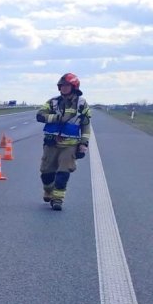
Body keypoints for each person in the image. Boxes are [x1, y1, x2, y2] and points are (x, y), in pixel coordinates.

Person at [36, 73, 92, 211]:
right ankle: (48, 190)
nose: (64, 88)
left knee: (63, 173)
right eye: (62, 86)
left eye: (66, 86)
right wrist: (56, 118)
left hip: (70, 146)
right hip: (51, 144)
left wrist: (84, 143)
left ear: (74, 87)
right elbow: (40, 115)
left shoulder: (82, 104)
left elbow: (85, 125)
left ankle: (58, 200)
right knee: (46, 173)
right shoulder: (52, 102)